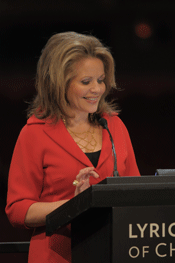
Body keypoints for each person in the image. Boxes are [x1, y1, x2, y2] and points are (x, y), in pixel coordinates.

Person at [5, 31, 140, 263]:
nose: (97, 89)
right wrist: (74, 205)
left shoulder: (114, 126)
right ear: (59, 84)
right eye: (86, 82)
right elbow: (17, 210)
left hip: (113, 251)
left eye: (100, 79)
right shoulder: (34, 133)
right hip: (57, 255)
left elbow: (135, 191)